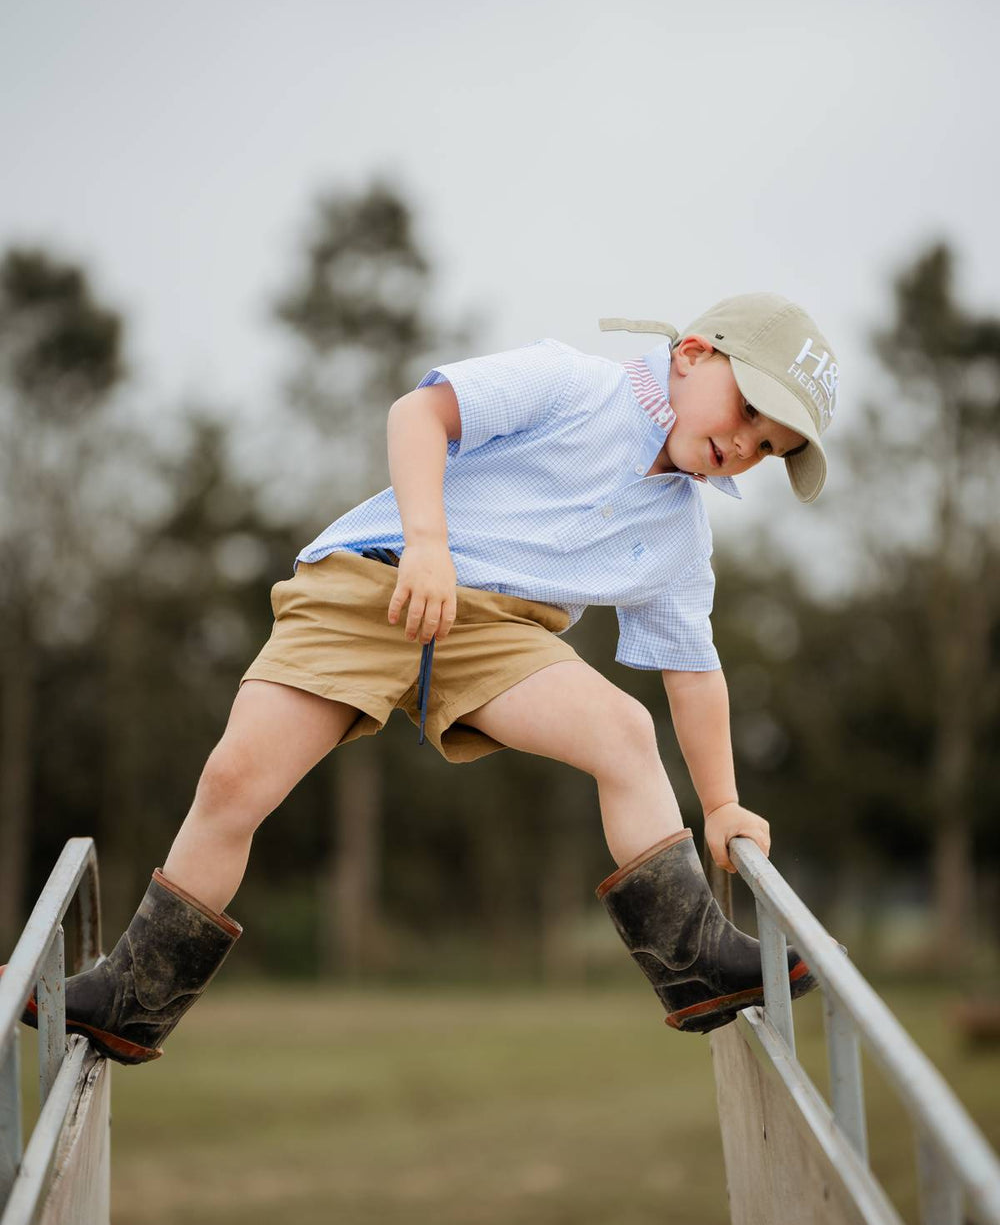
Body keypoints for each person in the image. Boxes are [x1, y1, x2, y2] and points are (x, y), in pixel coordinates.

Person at [8, 292, 839, 1063]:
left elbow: (692, 672)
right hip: (380, 584)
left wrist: (723, 799)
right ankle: (134, 994)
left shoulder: (680, 537)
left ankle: (694, 963)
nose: (746, 447)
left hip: (500, 636)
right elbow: (420, 414)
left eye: (768, 449)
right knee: (234, 779)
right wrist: (429, 542)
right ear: (693, 354)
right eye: (750, 414)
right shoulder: (573, 385)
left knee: (624, 731)